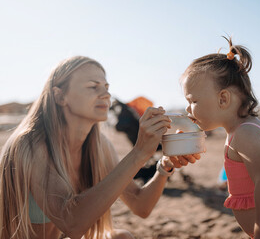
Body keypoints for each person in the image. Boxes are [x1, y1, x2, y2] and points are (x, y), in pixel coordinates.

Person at [0, 56, 200, 239]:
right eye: (93, 87)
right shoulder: (31, 146)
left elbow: (141, 206)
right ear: (60, 96)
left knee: (122, 237)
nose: (106, 94)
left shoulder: (99, 146)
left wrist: (164, 167)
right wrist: (139, 153)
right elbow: (72, 224)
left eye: (106, 87)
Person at [180, 37, 260, 239]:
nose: (188, 108)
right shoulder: (243, 128)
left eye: (193, 100)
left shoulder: (244, 133)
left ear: (223, 99)